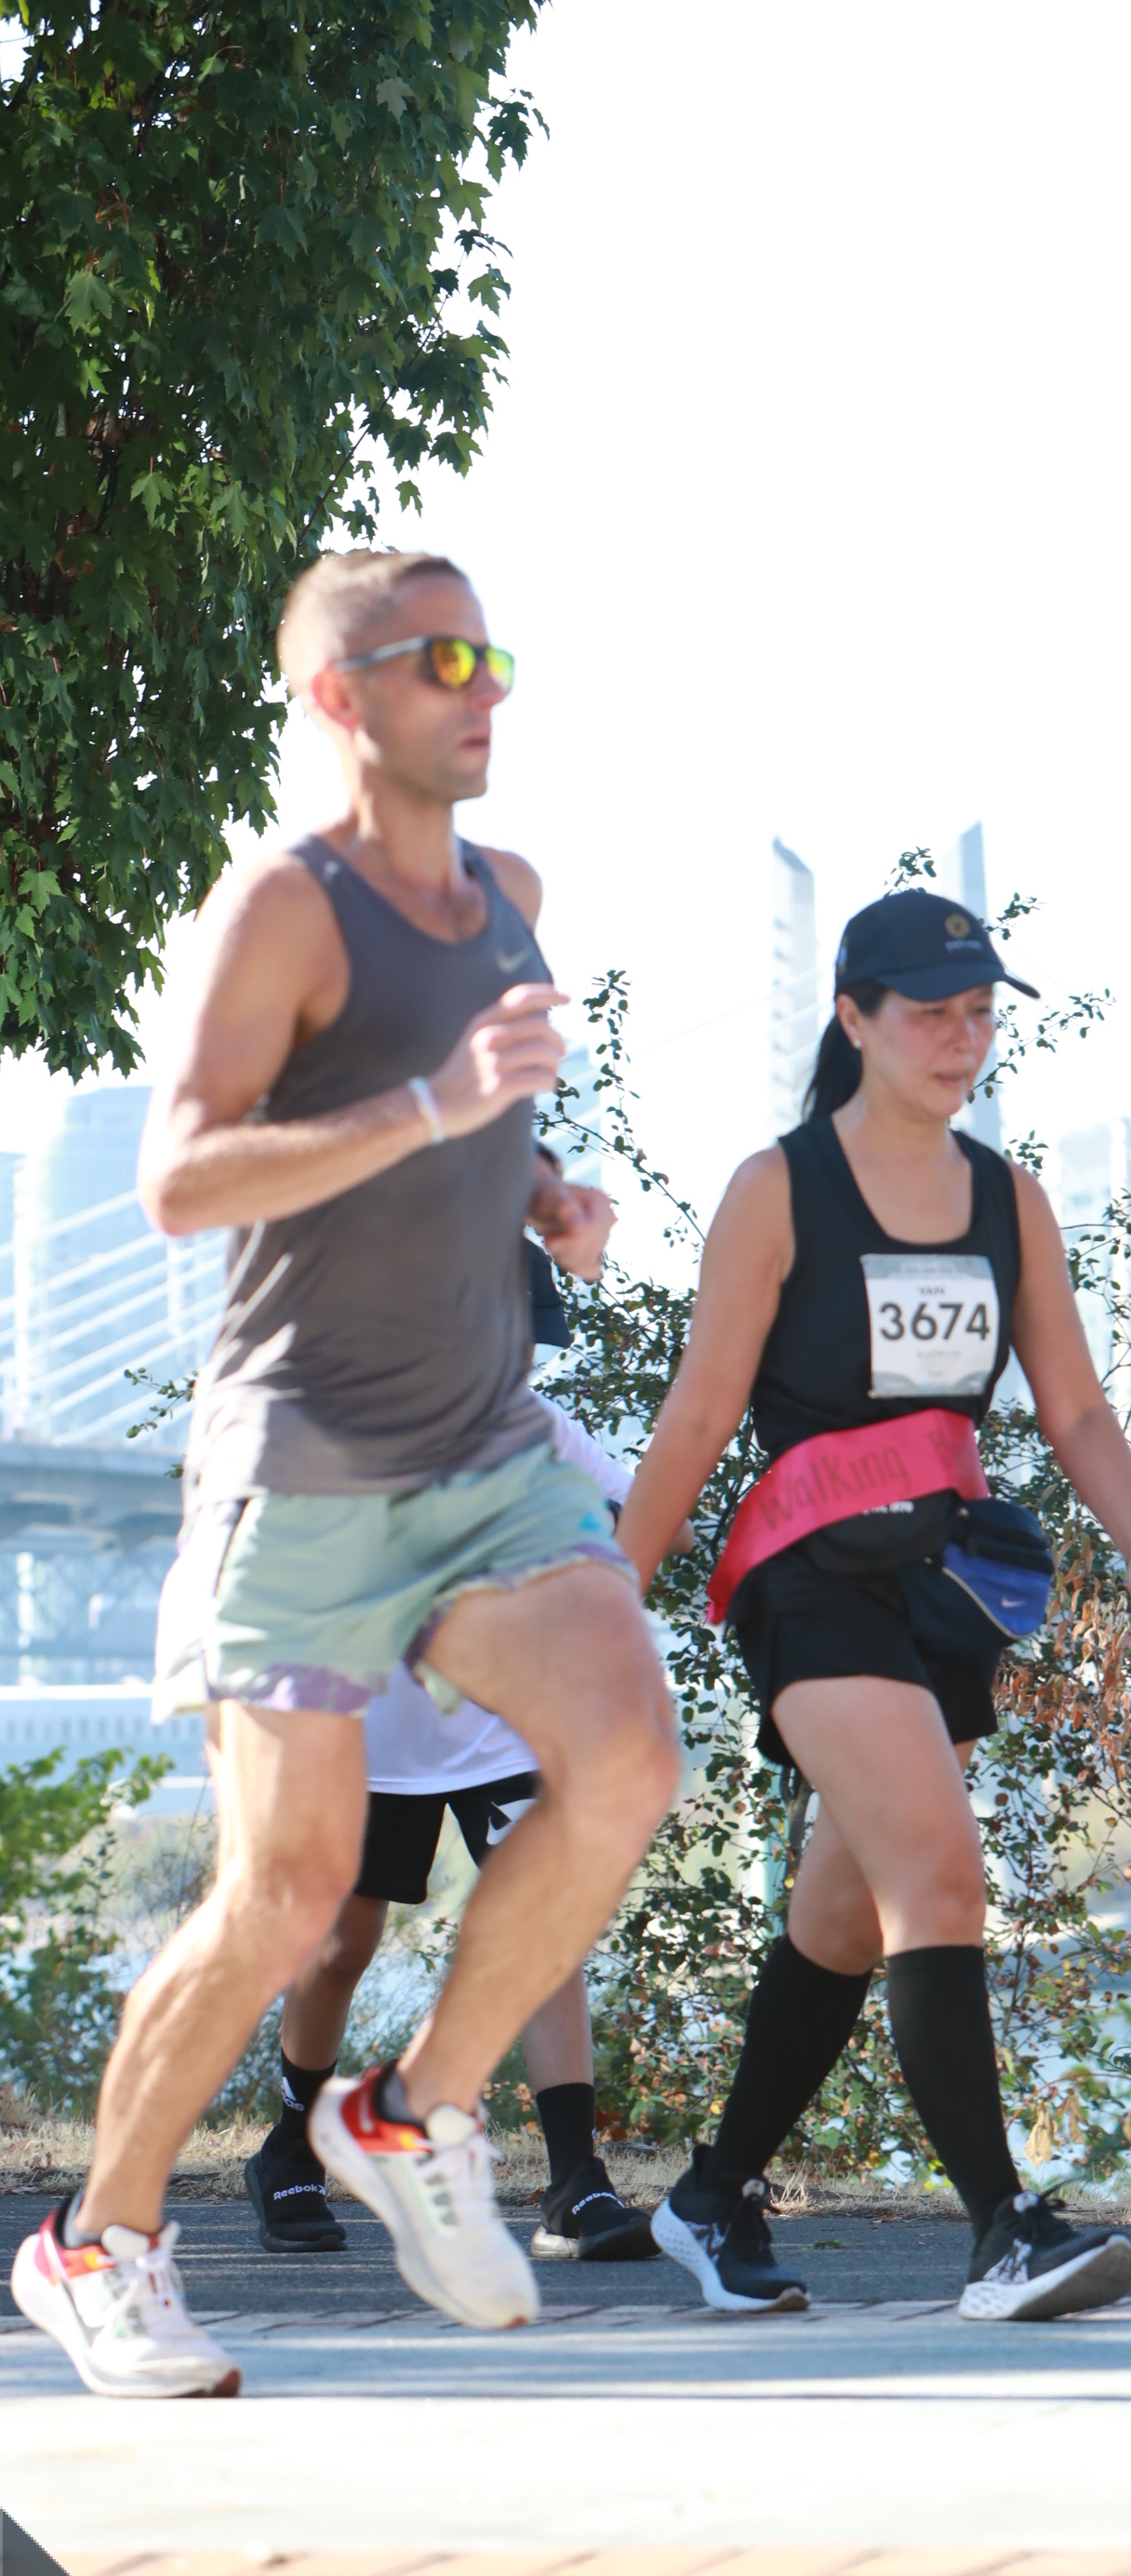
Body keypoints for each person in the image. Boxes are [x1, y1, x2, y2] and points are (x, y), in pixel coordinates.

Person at [9, 547, 681, 2398]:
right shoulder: (287, 911)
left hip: (482, 1444)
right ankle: (96, 2242)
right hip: (303, 1460)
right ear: (338, 698)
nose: (484, 687)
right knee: (287, 1894)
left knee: (627, 1758)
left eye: (492, 655)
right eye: (437, 659)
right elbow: (182, 1175)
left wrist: (541, 1195)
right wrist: (438, 1105)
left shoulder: (511, 901)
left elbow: (476, 1141)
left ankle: (410, 2110)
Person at [617, 888, 1131, 2322]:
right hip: (808, 1582)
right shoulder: (779, 1189)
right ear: (854, 1019)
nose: (962, 1039)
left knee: (848, 1918)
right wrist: (610, 1594)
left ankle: (709, 2196)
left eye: (981, 1014)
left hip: (937, 1586)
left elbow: (1074, 1405)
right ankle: (1004, 2232)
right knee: (938, 1871)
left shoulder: (1009, 1200)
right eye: (932, 1013)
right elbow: (699, 1413)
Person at [246, 1182, 670, 2263]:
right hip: (372, 1736)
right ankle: (289, 2147)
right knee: (342, 1944)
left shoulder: (539, 1432)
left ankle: (574, 2182)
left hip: (504, 1732)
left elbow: (639, 1520)